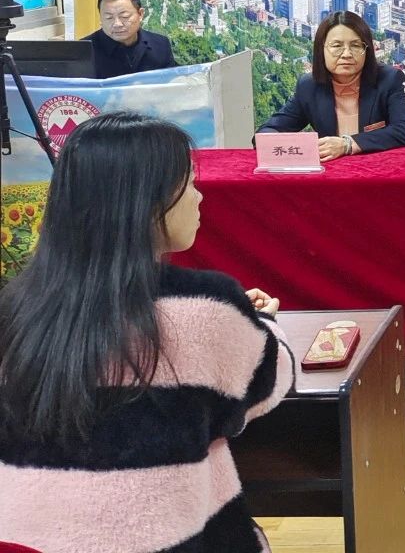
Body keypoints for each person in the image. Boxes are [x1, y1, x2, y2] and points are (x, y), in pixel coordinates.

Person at [0, 112, 293, 553]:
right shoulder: (206, 305)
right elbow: (270, 381)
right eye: (189, 184)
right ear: (148, 201)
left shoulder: (15, 307)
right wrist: (265, 322)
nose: (199, 197)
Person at [259, 10, 405, 160]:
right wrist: (305, 147)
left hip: (377, 170)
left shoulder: (388, 79)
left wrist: (347, 144)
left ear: (367, 51)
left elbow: (404, 130)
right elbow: (266, 133)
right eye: (336, 46)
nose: (346, 54)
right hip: (332, 173)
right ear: (321, 50)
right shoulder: (309, 86)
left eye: (356, 46)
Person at [84, 0, 178, 79]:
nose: (117, 24)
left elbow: (171, 83)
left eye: (124, 17)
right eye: (109, 18)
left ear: (140, 14)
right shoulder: (83, 50)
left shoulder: (160, 45)